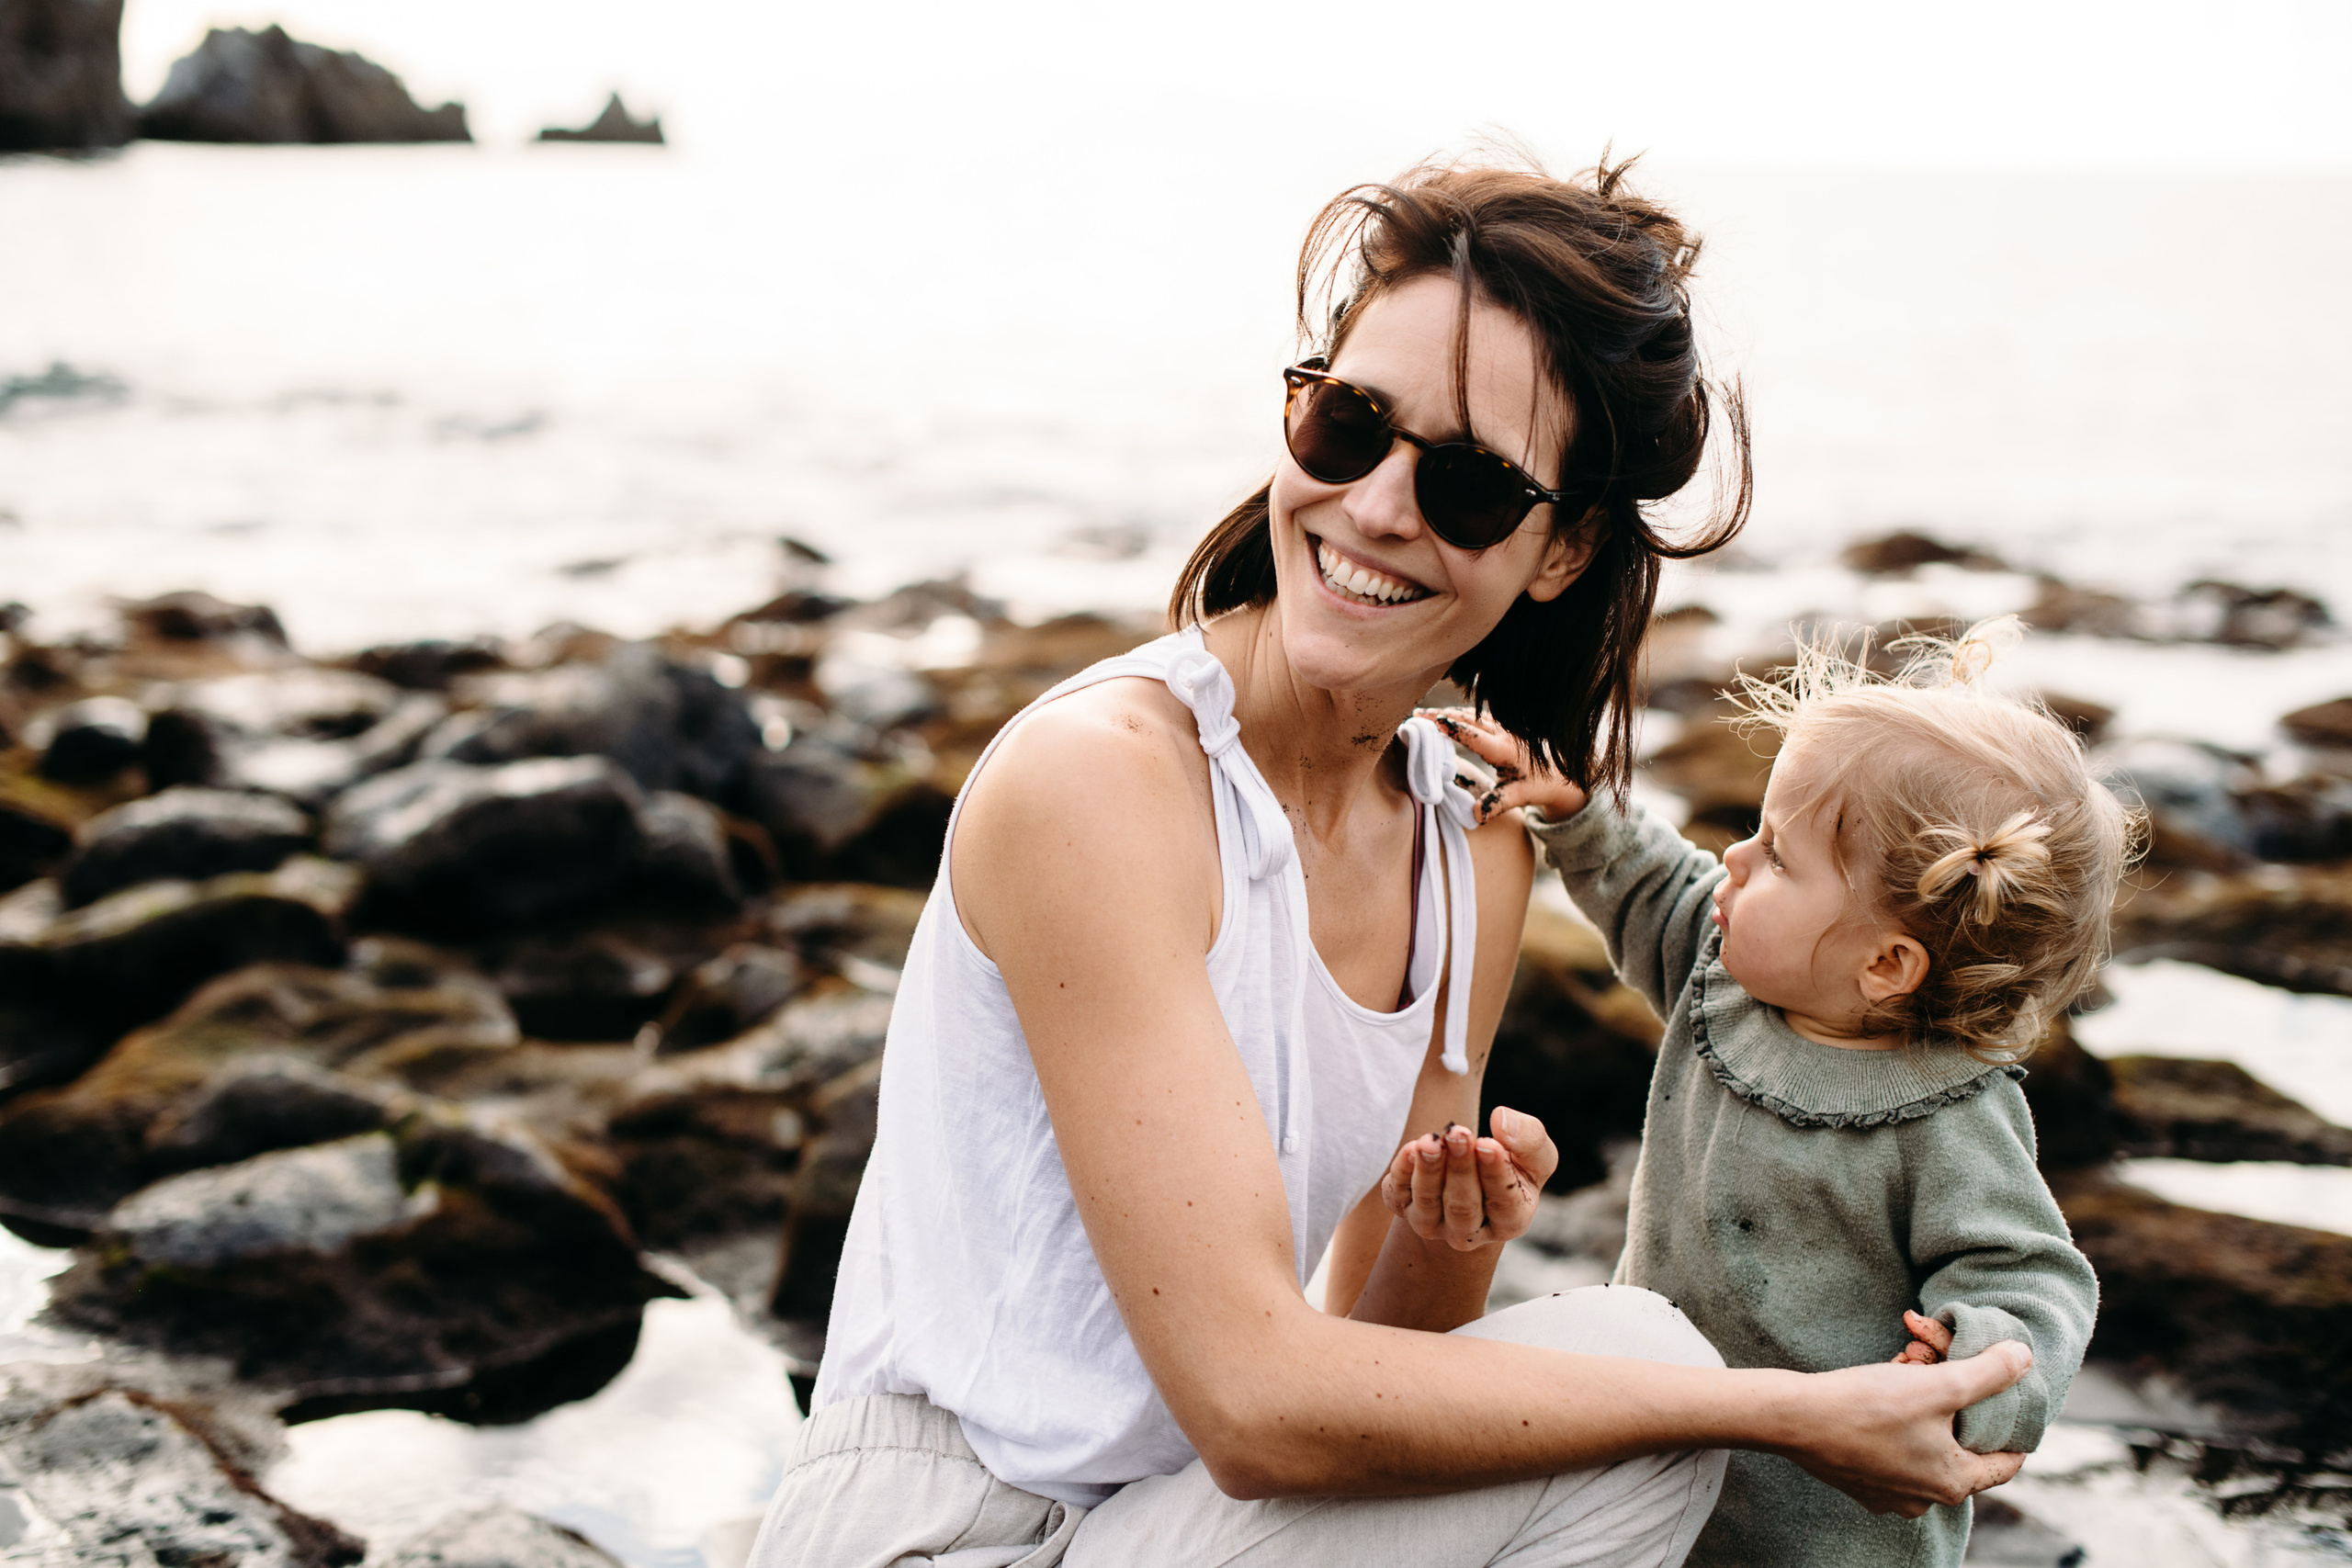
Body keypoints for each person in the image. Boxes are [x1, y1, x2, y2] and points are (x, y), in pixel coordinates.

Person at [750, 157, 2037, 1568]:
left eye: (1474, 483)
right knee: (1647, 1381)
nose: (1373, 506)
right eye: (1349, 422)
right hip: (953, 1528)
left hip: (1180, 1524)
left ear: (1561, 553)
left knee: (1627, 1416)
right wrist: (1784, 1408)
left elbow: (1369, 1369)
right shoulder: (1104, 782)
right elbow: (1256, 1404)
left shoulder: (1472, 840)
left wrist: (1452, 1236)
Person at [1432, 617, 2131, 1565]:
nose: (1732, 859)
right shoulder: (1725, 975)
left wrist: (1973, 1363)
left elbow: (2031, 1275)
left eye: (1777, 856)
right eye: (1753, 832)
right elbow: (1650, 885)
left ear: (1885, 962)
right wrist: (1576, 808)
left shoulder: (1947, 1114)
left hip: (1826, 1526)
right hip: (1651, 1450)